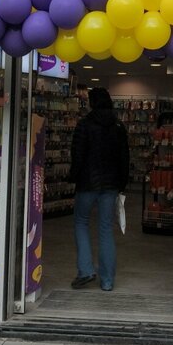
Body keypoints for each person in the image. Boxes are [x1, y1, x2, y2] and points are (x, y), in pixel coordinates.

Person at [68, 86, 129, 291]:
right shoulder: (118, 126)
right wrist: (122, 183)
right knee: (106, 229)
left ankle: (85, 271)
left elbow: (77, 154)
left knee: (81, 222)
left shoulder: (84, 125)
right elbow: (124, 158)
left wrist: (73, 177)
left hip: (87, 183)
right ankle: (107, 280)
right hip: (110, 185)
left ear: (92, 103)